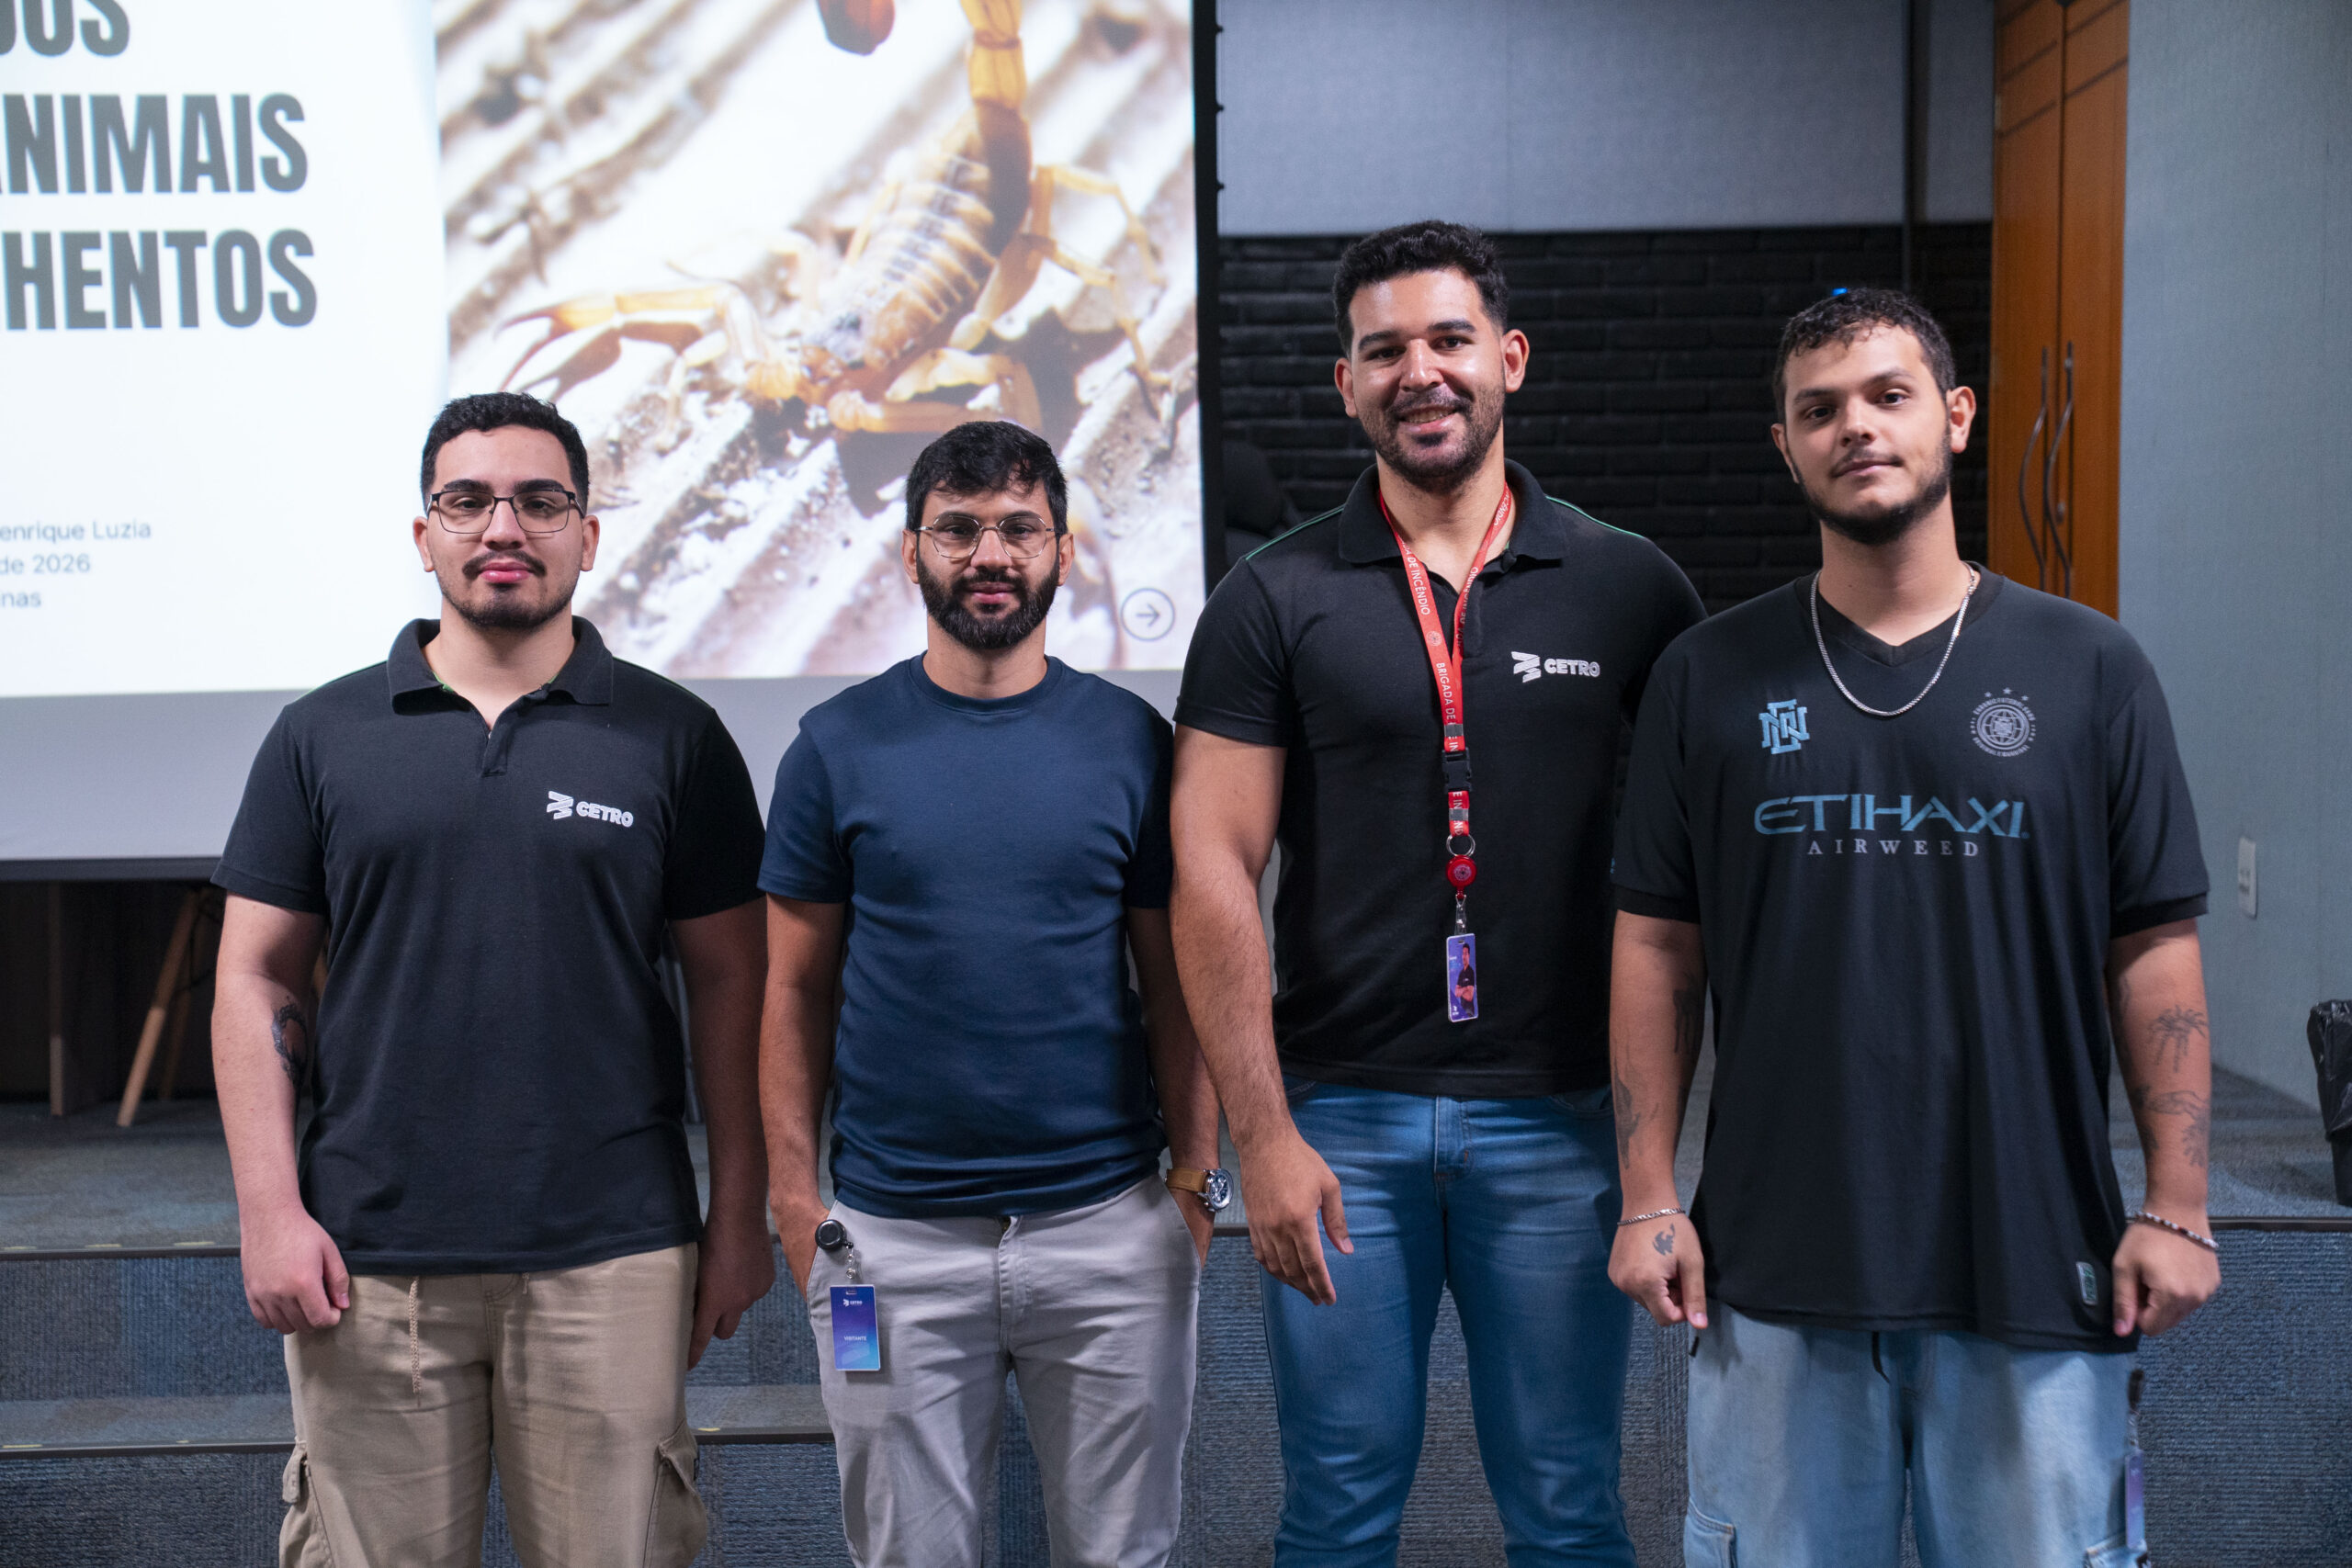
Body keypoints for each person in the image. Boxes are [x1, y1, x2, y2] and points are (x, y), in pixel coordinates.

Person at [1606, 289, 2221, 1567]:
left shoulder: (2090, 668)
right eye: (1818, 409)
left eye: (1888, 396)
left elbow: (2152, 945)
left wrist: (2180, 1197)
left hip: (2035, 1258)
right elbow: (1658, 946)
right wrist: (1648, 1192)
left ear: (1955, 416)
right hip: (1773, 1267)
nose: (1856, 428)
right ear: (1784, 444)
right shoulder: (1707, 676)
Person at [1170, 220, 1705, 1563]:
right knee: (1339, 1503)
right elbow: (1211, 867)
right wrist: (1263, 1135)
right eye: (1385, 348)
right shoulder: (1269, 596)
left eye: (1450, 340)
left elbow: (1704, 875)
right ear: (1344, 383)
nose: (1422, 371)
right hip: (1340, 1122)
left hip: (1559, 1118)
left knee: (1570, 1502)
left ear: (1509, 359)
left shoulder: (1630, 585)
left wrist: (1663, 1163)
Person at [211, 390, 772, 1568]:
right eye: (468, 500)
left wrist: (737, 1215)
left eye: (539, 500)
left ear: (587, 532)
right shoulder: (321, 736)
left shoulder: (675, 737)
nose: (502, 526)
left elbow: (733, 985)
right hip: (369, 1257)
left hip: (613, 1253)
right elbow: (256, 979)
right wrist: (268, 1210)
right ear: (425, 535)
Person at [758, 419, 1220, 1568]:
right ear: (909, 555)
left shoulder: (1130, 742)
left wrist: (1195, 1178)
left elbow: (1174, 985)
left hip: (1108, 1232)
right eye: (957, 529)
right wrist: (790, 1198)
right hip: (889, 1245)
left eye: (1018, 526)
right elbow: (792, 991)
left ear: (1063, 552)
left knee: (1124, 1555)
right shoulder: (833, 746)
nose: (989, 553)